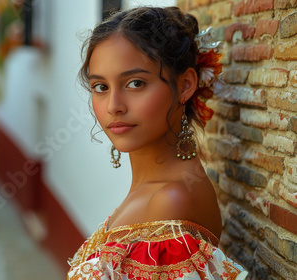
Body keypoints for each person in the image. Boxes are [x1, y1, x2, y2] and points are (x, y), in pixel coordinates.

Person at [67, 6, 249, 280]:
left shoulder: (170, 203)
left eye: (136, 83)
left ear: (186, 85)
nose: (114, 106)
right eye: (101, 87)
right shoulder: (160, 190)